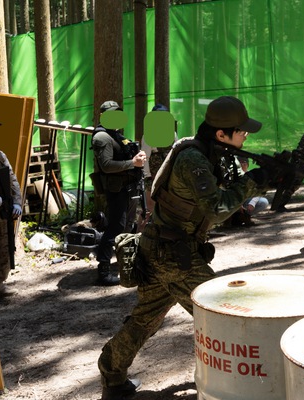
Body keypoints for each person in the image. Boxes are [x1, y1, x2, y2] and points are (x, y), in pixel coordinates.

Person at [97, 96, 267, 400]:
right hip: (173, 254)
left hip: (163, 248)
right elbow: (217, 209)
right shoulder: (195, 160)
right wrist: (254, 182)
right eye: (241, 131)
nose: (246, 135)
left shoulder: (211, 152)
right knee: (221, 315)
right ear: (221, 134)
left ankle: (111, 373)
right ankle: (239, 385)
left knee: (144, 320)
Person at [91, 100, 147, 286]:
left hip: (129, 187)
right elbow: (106, 166)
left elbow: (126, 155)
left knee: (128, 225)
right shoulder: (102, 137)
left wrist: (137, 157)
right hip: (116, 189)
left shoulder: (115, 135)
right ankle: (103, 271)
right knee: (116, 226)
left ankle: (126, 263)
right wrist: (133, 163)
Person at [0, 149, 22, 297]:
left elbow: (12, 180)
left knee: (4, 249)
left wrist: (17, 202)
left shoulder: (0, 155)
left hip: (2, 213)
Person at [226, 157, 269, 227]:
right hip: (235, 201)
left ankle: (245, 216)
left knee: (263, 202)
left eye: (244, 162)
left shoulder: (252, 175)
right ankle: (232, 218)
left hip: (247, 200)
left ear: (248, 164)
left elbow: (259, 190)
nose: (243, 164)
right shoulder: (232, 175)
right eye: (240, 162)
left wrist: (252, 203)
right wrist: (239, 206)